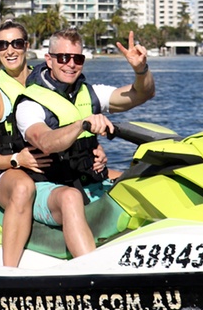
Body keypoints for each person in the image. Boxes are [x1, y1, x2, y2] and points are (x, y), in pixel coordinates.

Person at [14, 28, 155, 258]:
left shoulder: (91, 94)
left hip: (87, 179)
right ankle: (92, 273)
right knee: (71, 197)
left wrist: (141, 70)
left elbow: (142, 94)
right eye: (63, 58)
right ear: (49, 60)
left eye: (77, 58)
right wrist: (82, 124)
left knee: (144, 178)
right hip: (47, 187)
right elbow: (45, 142)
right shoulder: (30, 104)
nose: (71, 64)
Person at [0, 20, 48, 267]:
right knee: (23, 188)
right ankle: (9, 272)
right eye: (3, 44)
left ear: (27, 46)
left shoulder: (46, 82)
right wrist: (17, 159)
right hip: (7, 172)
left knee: (111, 177)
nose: (10, 50)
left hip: (49, 165)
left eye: (16, 43)